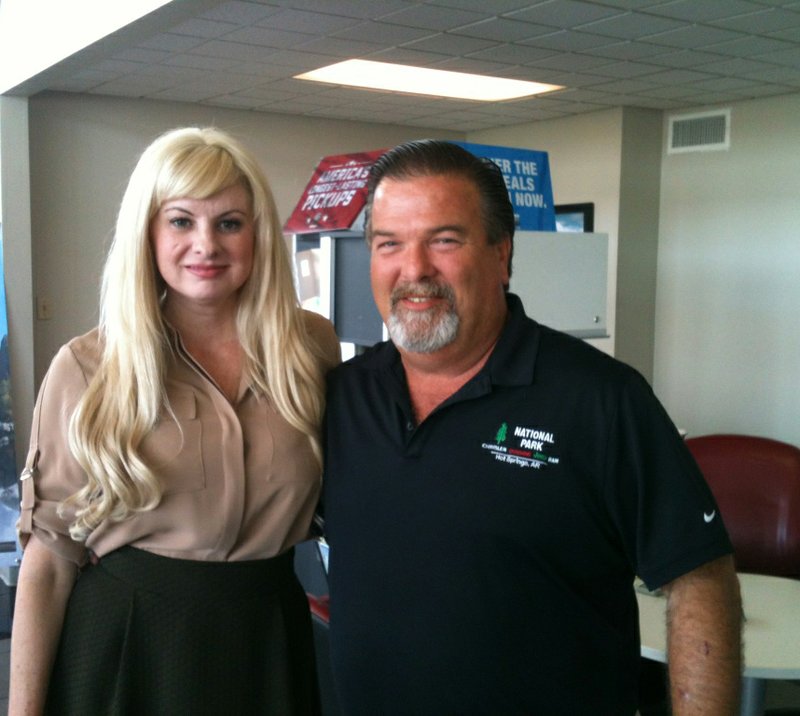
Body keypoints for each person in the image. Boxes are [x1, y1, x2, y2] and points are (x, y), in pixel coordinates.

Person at [321, 139, 742, 715]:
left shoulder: (601, 399)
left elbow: (700, 578)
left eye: (444, 240)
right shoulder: (343, 397)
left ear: (502, 254)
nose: (413, 269)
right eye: (389, 243)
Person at [10, 127, 340, 715]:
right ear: (148, 233)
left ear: (257, 233)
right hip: (131, 646)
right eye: (181, 221)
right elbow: (50, 560)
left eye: (230, 223)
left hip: (268, 641)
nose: (206, 244)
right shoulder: (89, 366)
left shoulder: (310, 347)